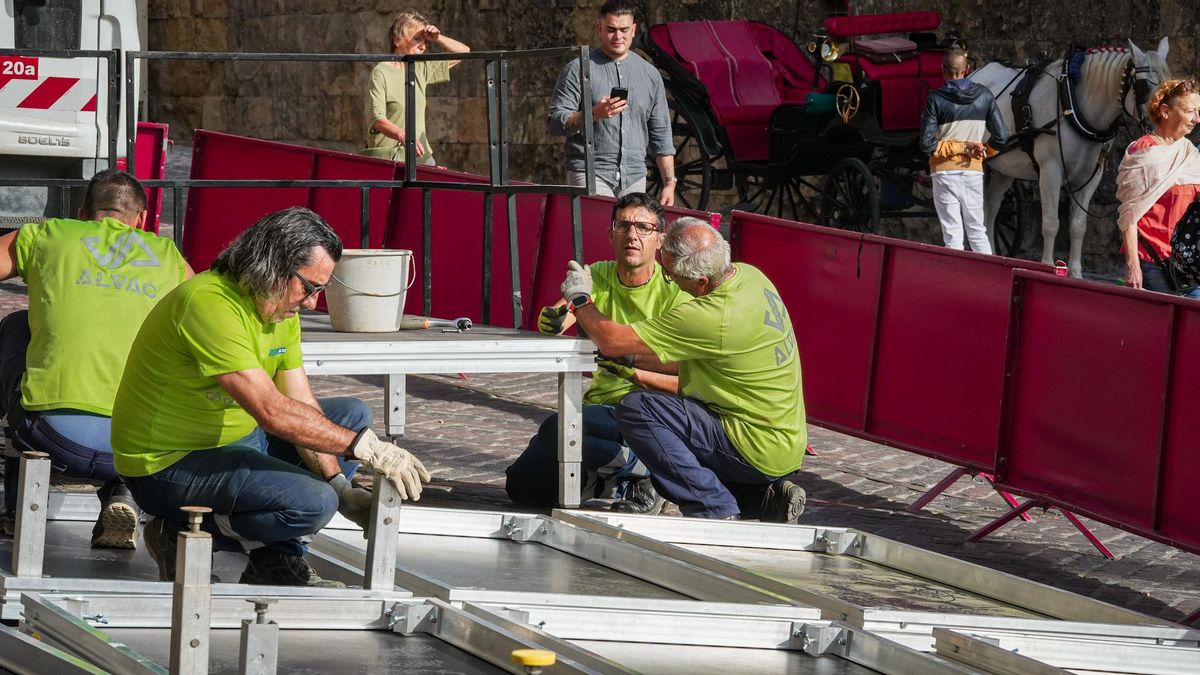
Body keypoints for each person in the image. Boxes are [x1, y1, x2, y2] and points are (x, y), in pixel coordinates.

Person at [110, 207, 432, 587]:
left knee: (350, 415)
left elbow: (302, 405)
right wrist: (364, 451)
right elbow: (272, 412)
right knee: (313, 503)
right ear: (273, 265)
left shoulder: (280, 310)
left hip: (235, 442)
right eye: (309, 287)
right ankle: (178, 526)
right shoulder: (210, 304)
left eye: (320, 290)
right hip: (166, 464)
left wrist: (340, 485)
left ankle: (275, 561)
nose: (312, 302)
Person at [558, 218, 807, 521]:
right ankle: (763, 499)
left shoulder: (712, 315)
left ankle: (713, 509)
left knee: (639, 410)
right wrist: (631, 361)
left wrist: (581, 299)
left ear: (701, 281)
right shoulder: (752, 278)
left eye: (672, 273)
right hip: (785, 441)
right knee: (678, 433)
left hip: (753, 445)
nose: (667, 277)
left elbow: (611, 340)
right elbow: (687, 360)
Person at [0, 169, 191, 546]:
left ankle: (13, 511)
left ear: (83, 213)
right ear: (141, 220)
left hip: (50, 435)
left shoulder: (49, 234)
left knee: (17, 326)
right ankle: (123, 495)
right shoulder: (169, 257)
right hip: (134, 448)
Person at [505, 193, 685, 513]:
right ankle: (618, 477)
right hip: (599, 408)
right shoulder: (599, 274)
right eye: (623, 225)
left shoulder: (675, 290)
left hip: (649, 412)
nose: (632, 234)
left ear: (660, 240)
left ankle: (644, 471)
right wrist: (552, 319)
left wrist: (634, 370)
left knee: (556, 430)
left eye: (643, 227)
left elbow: (687, 374)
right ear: (610, 234)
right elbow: (558, 318)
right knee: (523, 485)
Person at [547, 0, 676, 205]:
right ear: (599, 29)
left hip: (634, 176)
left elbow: (661, 133)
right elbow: (555, 122)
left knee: (629, 236)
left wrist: (669, 182)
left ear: (634, 30)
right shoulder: (577, 69)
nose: (618, 36)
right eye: (611, 29)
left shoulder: (650, 75)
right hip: (590, 172)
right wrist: (594, 114)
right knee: (596, 234)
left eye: (624, 29)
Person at [919, 48, 1009, 254]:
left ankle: (957, 283)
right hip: (973, 172)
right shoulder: (985, 96)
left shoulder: (935, 99)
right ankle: (988, 280)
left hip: (943, 173)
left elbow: (926, 144)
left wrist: (960, 147)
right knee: (978, 231)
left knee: (952, 235)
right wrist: (984, 151)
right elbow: (1002, 136)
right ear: (967, 70)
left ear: (942, 70)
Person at [1116, 78, 1200, 297]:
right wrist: (1133, 266)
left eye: (1198, 111)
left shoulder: (1189, 152)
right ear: (1165, 111)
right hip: (1152, 261)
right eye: (1190, 111)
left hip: (1187, 261)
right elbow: (1129, 216)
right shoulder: (1143, 151)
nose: (1197, 119)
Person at [362, 10, 470, 165]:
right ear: (397, 40)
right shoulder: (381, 73)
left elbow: (464, 52)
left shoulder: (420, 68)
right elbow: (377, 118)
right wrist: (403, 135)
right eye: (417, 39)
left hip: (421, 157)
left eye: (425, 41)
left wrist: (437, 38)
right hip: (387, 158)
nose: (423, 46)